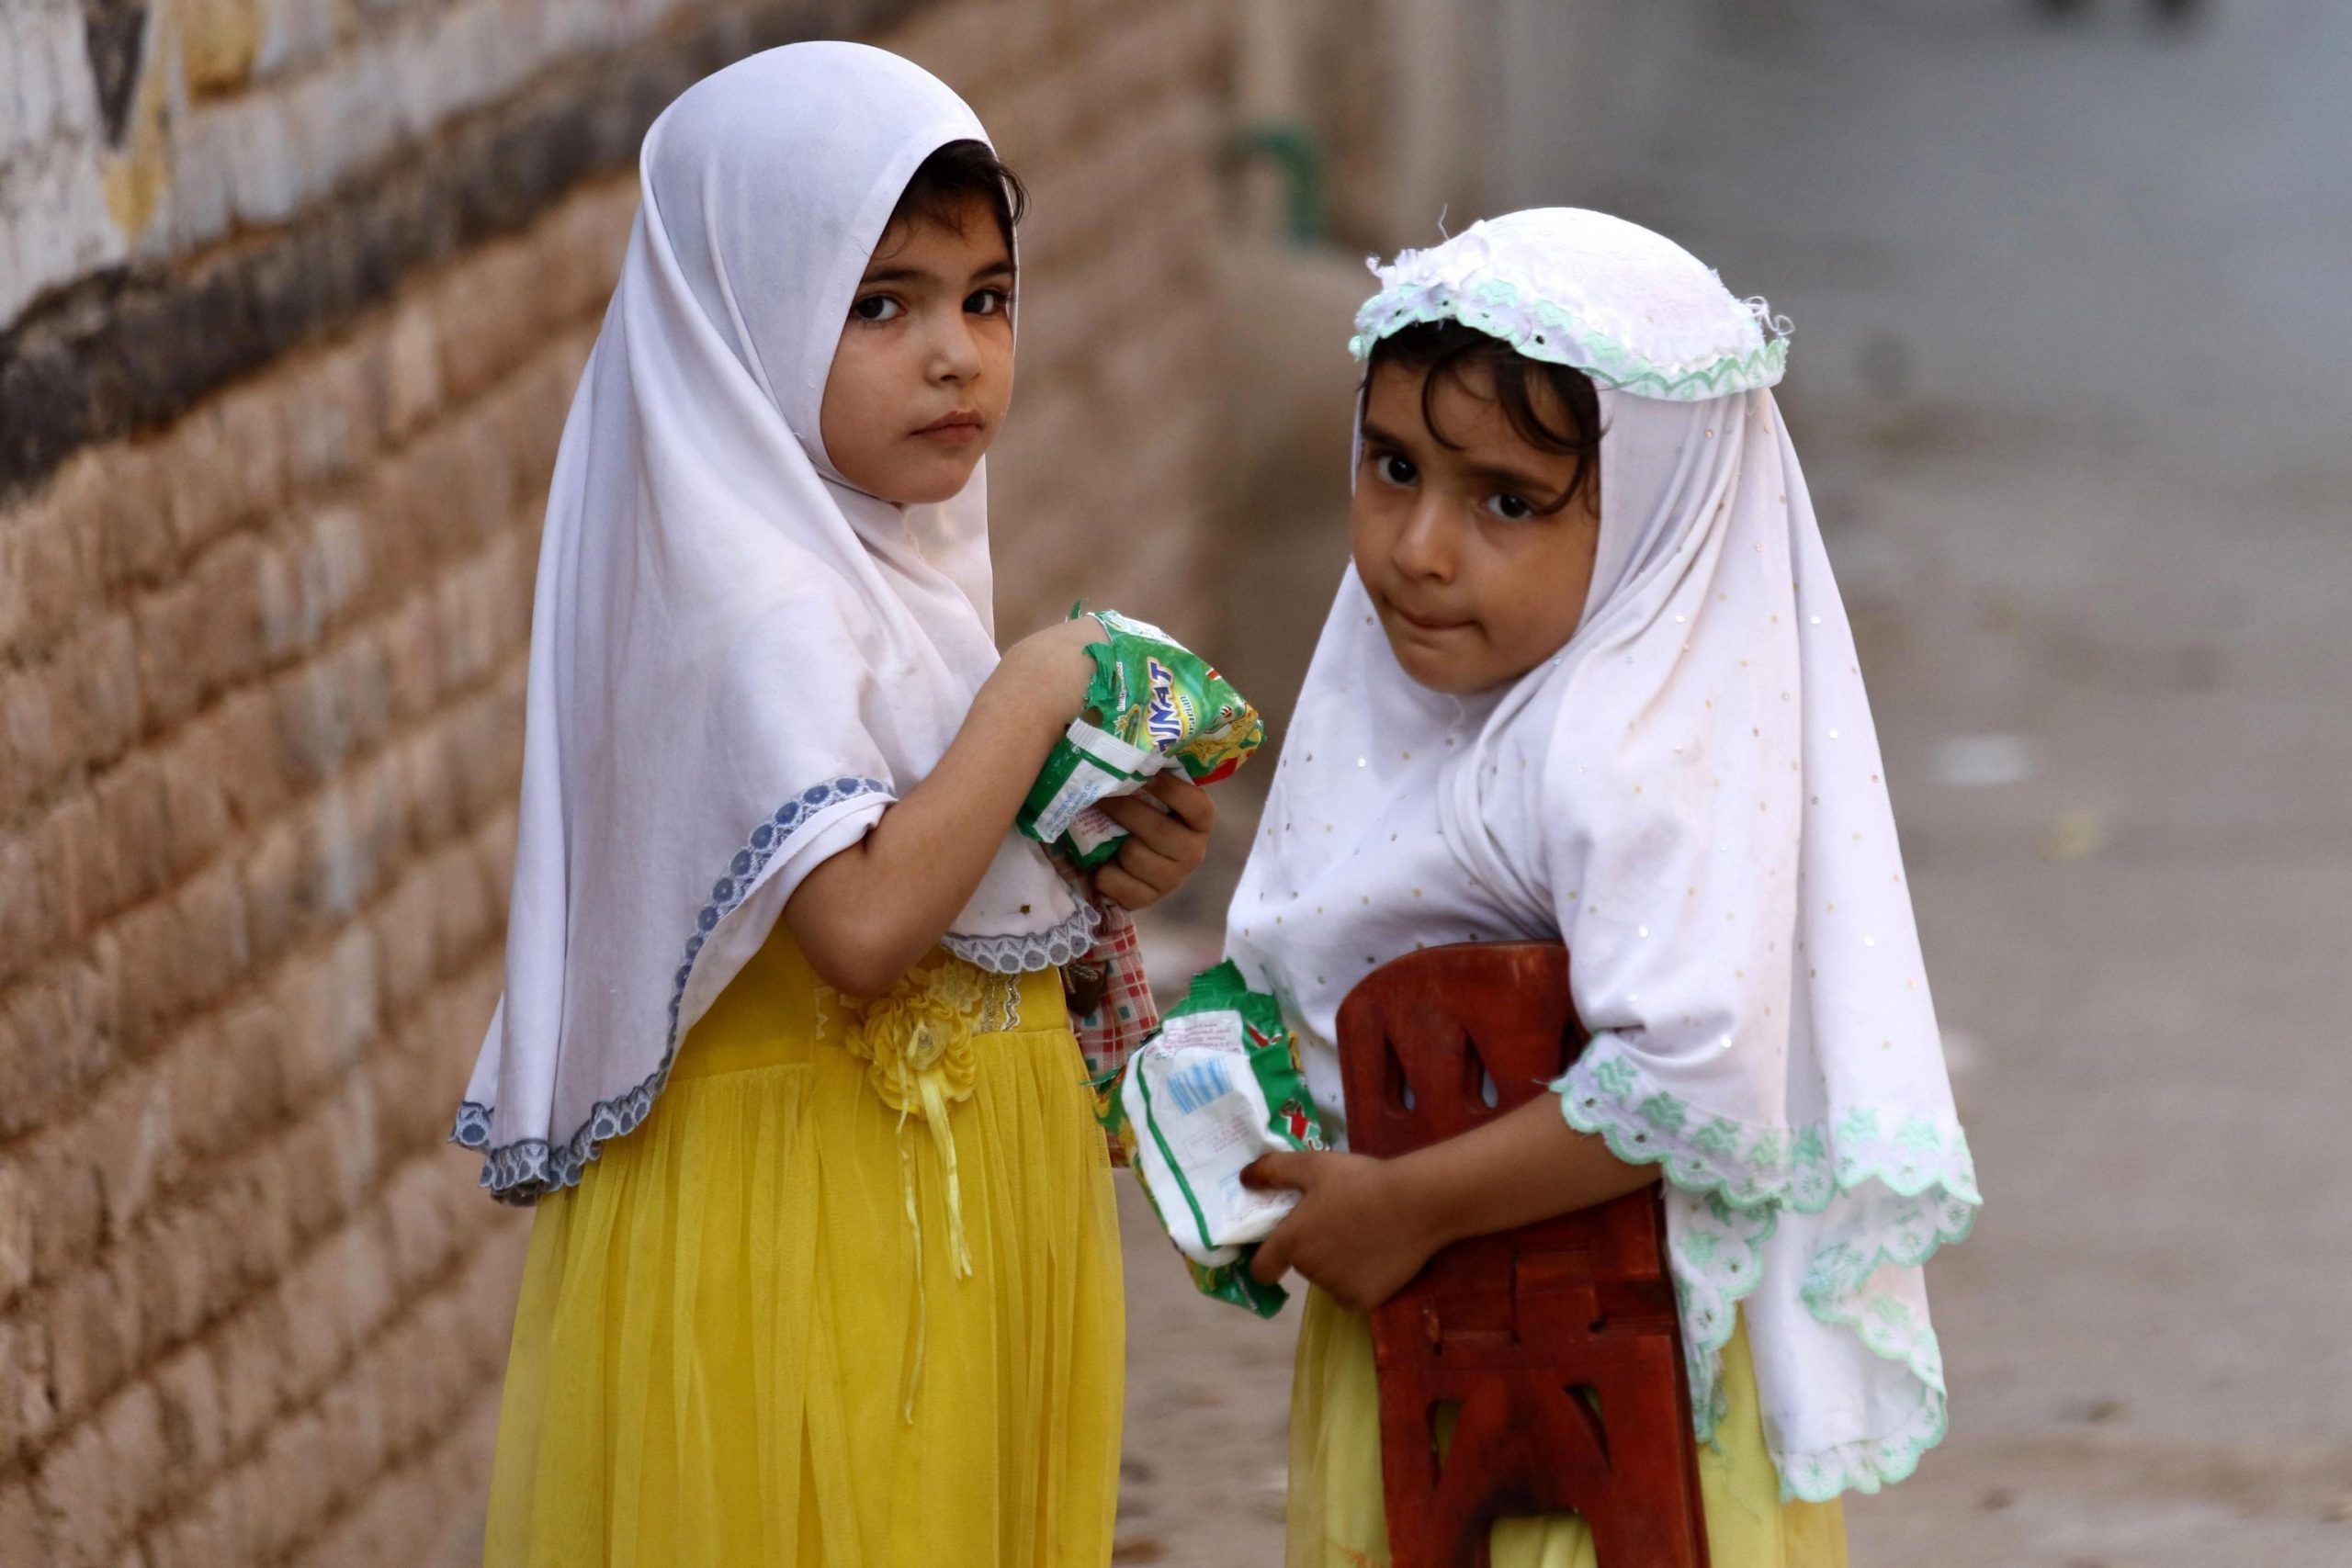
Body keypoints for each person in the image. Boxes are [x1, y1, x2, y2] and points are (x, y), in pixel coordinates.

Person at [452, 42, 1216, 1566]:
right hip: (812, 1243)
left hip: (956, 1232)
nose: (956, 354)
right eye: (883, 304)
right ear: (743, 319)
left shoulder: (904, 563)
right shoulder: (750, 606)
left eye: (985, 298)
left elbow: (943, 869)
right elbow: (863, 921)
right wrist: (1038, 693)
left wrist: (1098, 865)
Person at [1223, 209, 1981, 1565]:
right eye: (1392, 468)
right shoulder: (1396, 708)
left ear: (1656, 521)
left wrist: (1403, 1207)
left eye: (1505, 499)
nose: (1419, 547)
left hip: (1611, 1416)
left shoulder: (1629, 750)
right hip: (1433, 1350)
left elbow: (1690, 1083)